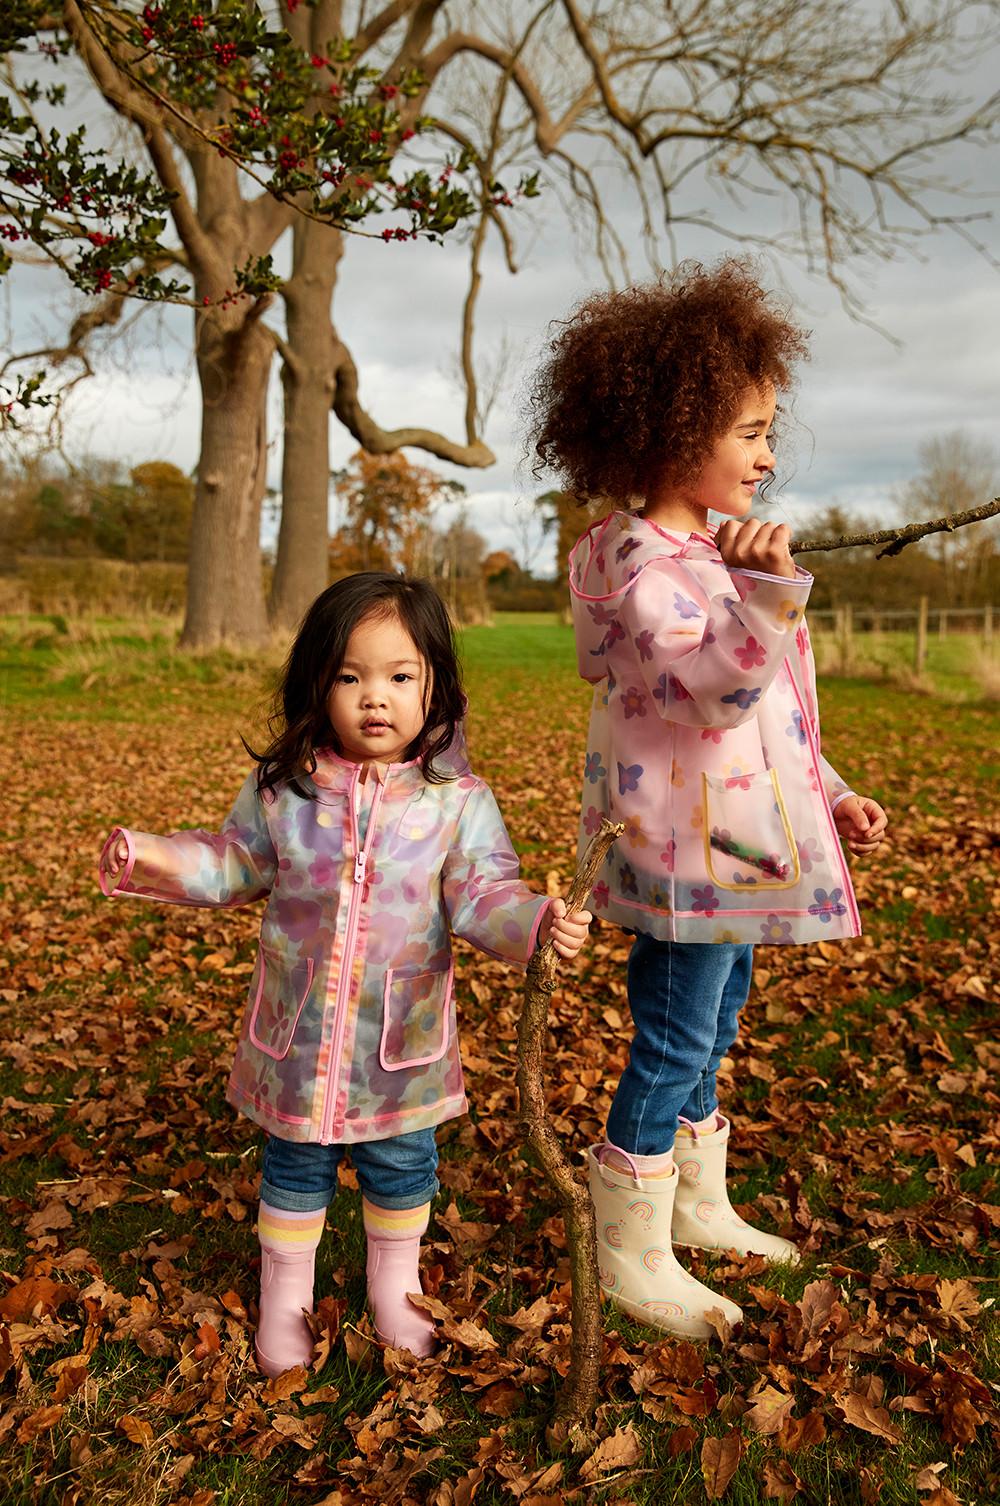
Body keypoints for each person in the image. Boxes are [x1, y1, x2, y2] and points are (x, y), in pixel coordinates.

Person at [99, 572, 591, 1375]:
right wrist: (152, 855)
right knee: (293, 1169)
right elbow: (231, 866)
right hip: (299, 1041)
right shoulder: (285, 792)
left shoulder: (456, 802)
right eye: (350, 676)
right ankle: (284, 1297)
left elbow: (483, 894)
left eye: (400, 677)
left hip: (399, 1049)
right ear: (317, 682)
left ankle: (393, 1285)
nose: (375, 698)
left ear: (436, 685)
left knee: (403, 1167)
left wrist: (535, 923)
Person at [527, 259, 887, 1339]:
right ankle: (628, 1244)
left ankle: (694, 1202)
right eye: (749, 430)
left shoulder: (702, 556)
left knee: (713, 1024)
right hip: (680, 851)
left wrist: (829, 792)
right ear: (670, 433)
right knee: (675, 1035)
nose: (769, 454)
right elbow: (712, 689)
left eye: (769, 429)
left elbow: (774, 718)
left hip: (733, 843)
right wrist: (764, 594)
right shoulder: (640, 566)